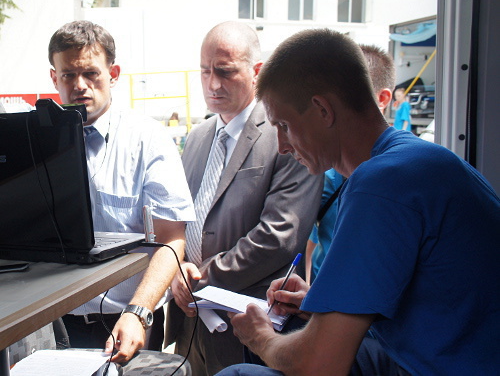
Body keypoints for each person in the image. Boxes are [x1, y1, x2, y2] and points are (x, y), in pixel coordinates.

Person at [216, 28, 500, 375]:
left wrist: (259, 337)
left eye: (285, 125)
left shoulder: (380, 184)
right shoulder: (416, 161)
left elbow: (320, 365)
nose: (282, 146)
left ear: (322, 109)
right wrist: (319, 303)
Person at [166, 21, 322, 375]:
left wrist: (202, 278)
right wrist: (176, 274)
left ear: (257, 72)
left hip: (248, 322)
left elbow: (280, 235)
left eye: (225, 71)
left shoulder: (285, 133)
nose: (212, 83)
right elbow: (182, 218)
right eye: (205, 71)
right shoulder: (199, 136)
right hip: (191, 320)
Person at [48, 20, 195, 362]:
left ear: (113, 73)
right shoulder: (40, 145)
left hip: (130, 323)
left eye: (91, 73)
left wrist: (138, 312)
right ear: (54, 78)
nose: (80, 85)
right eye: (68, 75)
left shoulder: (147, 140)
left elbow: (172, 239)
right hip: (56, 324)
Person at [306, 44, 395, 284]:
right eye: (321, 106)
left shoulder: (399, 181)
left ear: (382, 98)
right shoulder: (328, 172)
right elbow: (314, 240)